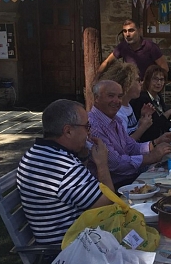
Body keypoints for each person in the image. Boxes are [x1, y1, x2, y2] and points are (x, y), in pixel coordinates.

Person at [17, 99, 114, 245]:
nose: (89, 133)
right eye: (87, 126)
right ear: (68, 131)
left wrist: (82, 156)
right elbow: (108, 203)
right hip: (71, 250)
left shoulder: (36, 153)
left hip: (64, 241)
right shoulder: (64, 166)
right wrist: (102, 164)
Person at [88, 80, 171, 189]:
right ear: (96, 98)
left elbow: (130, 146)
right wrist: (150, 157)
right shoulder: (93, 126)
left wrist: (156, 142)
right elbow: (115, 164)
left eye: (119, 96)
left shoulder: (115, 119)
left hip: (129, 177)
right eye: (111, 96)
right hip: (115, 186)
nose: (116, 101)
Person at [99, 60, 155, 141]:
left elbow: (131, 130)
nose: (141, 83)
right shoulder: (117, 113)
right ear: (126, 83)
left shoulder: (128, 106)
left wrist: (142, 117)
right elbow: (124, 145)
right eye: (138, 80)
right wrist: (143, 127)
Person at [131, 65, 171, 142]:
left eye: (161, 80)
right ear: (148, 80)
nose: (159, 83)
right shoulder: (142, 98)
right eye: (155, 79)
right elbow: (155, 126)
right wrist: (170, 112)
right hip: (149, 142)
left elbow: (163, 117)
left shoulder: (158, 96)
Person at [97, 19, 169, 79]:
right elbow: (107, 62)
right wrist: (96, 78)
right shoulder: (123, 46)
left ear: (139, 31)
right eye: (125, 31)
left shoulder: (150, 47)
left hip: (147, 88)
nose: (127, 34)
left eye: (131, 30)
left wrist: (151, 82)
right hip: (131, 86)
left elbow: (164, 68)